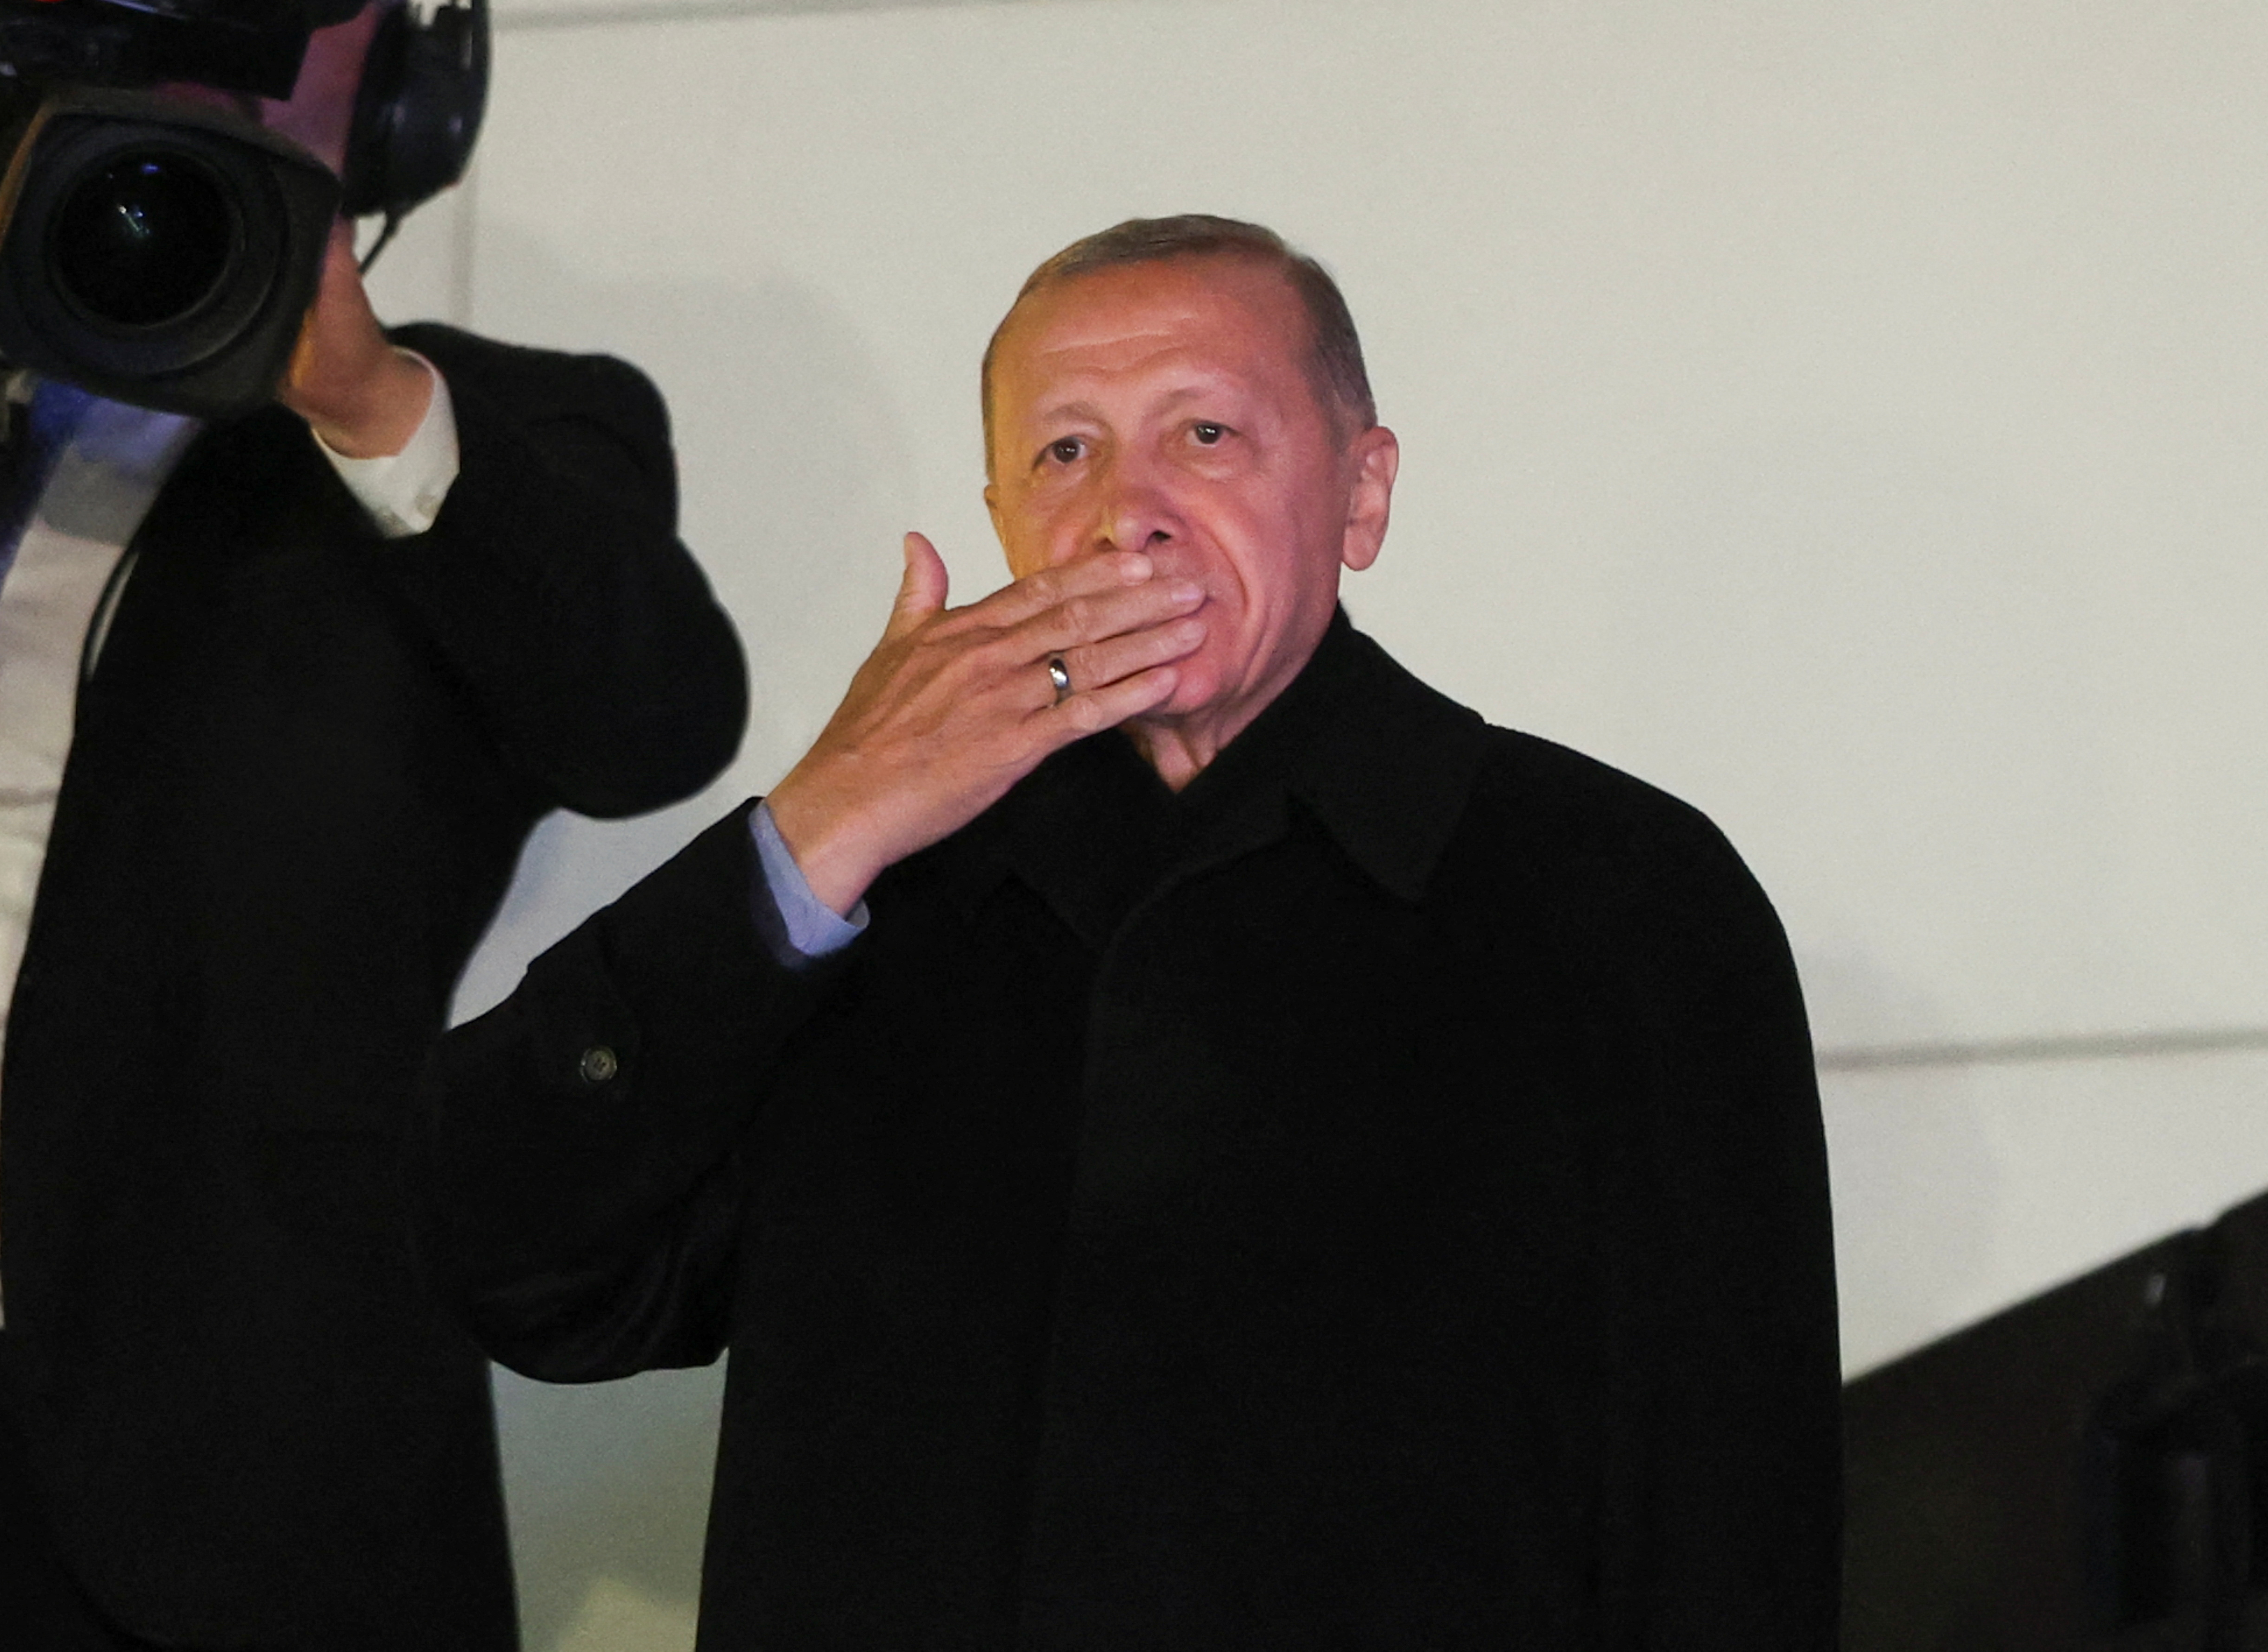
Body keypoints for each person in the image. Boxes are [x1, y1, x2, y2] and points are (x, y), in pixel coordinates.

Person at [416, 214, 1836, 1649]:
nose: (1125, 513)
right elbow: (506, 1258)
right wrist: (822, 824)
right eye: (1063, 453)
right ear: (1000, 519)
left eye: (1205, 435)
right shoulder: (871, 902)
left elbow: (1729, 1521)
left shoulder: (1612, 894)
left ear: (1362, 495)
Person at [0, 6, 748, 1649]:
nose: (194, 55)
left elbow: (653, 725)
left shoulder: (498, 427)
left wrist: (364, 400)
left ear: (408, 104)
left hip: (240, 1458)